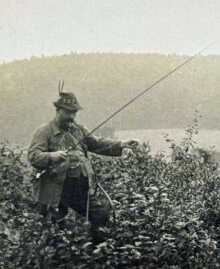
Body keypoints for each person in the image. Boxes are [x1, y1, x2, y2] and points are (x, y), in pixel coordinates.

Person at [27, 91, 138, 237]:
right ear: (58, 110)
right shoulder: (44, 131)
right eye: (68, 112)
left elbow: (97, 144)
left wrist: (121, 144)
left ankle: (96, 252)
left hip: (80, 190)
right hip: (56, 192)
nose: (72, 116)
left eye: (74, 112)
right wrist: (51, 156)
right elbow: (33, 156)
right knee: (54, 229)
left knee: (101, 214)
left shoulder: (79, 130)